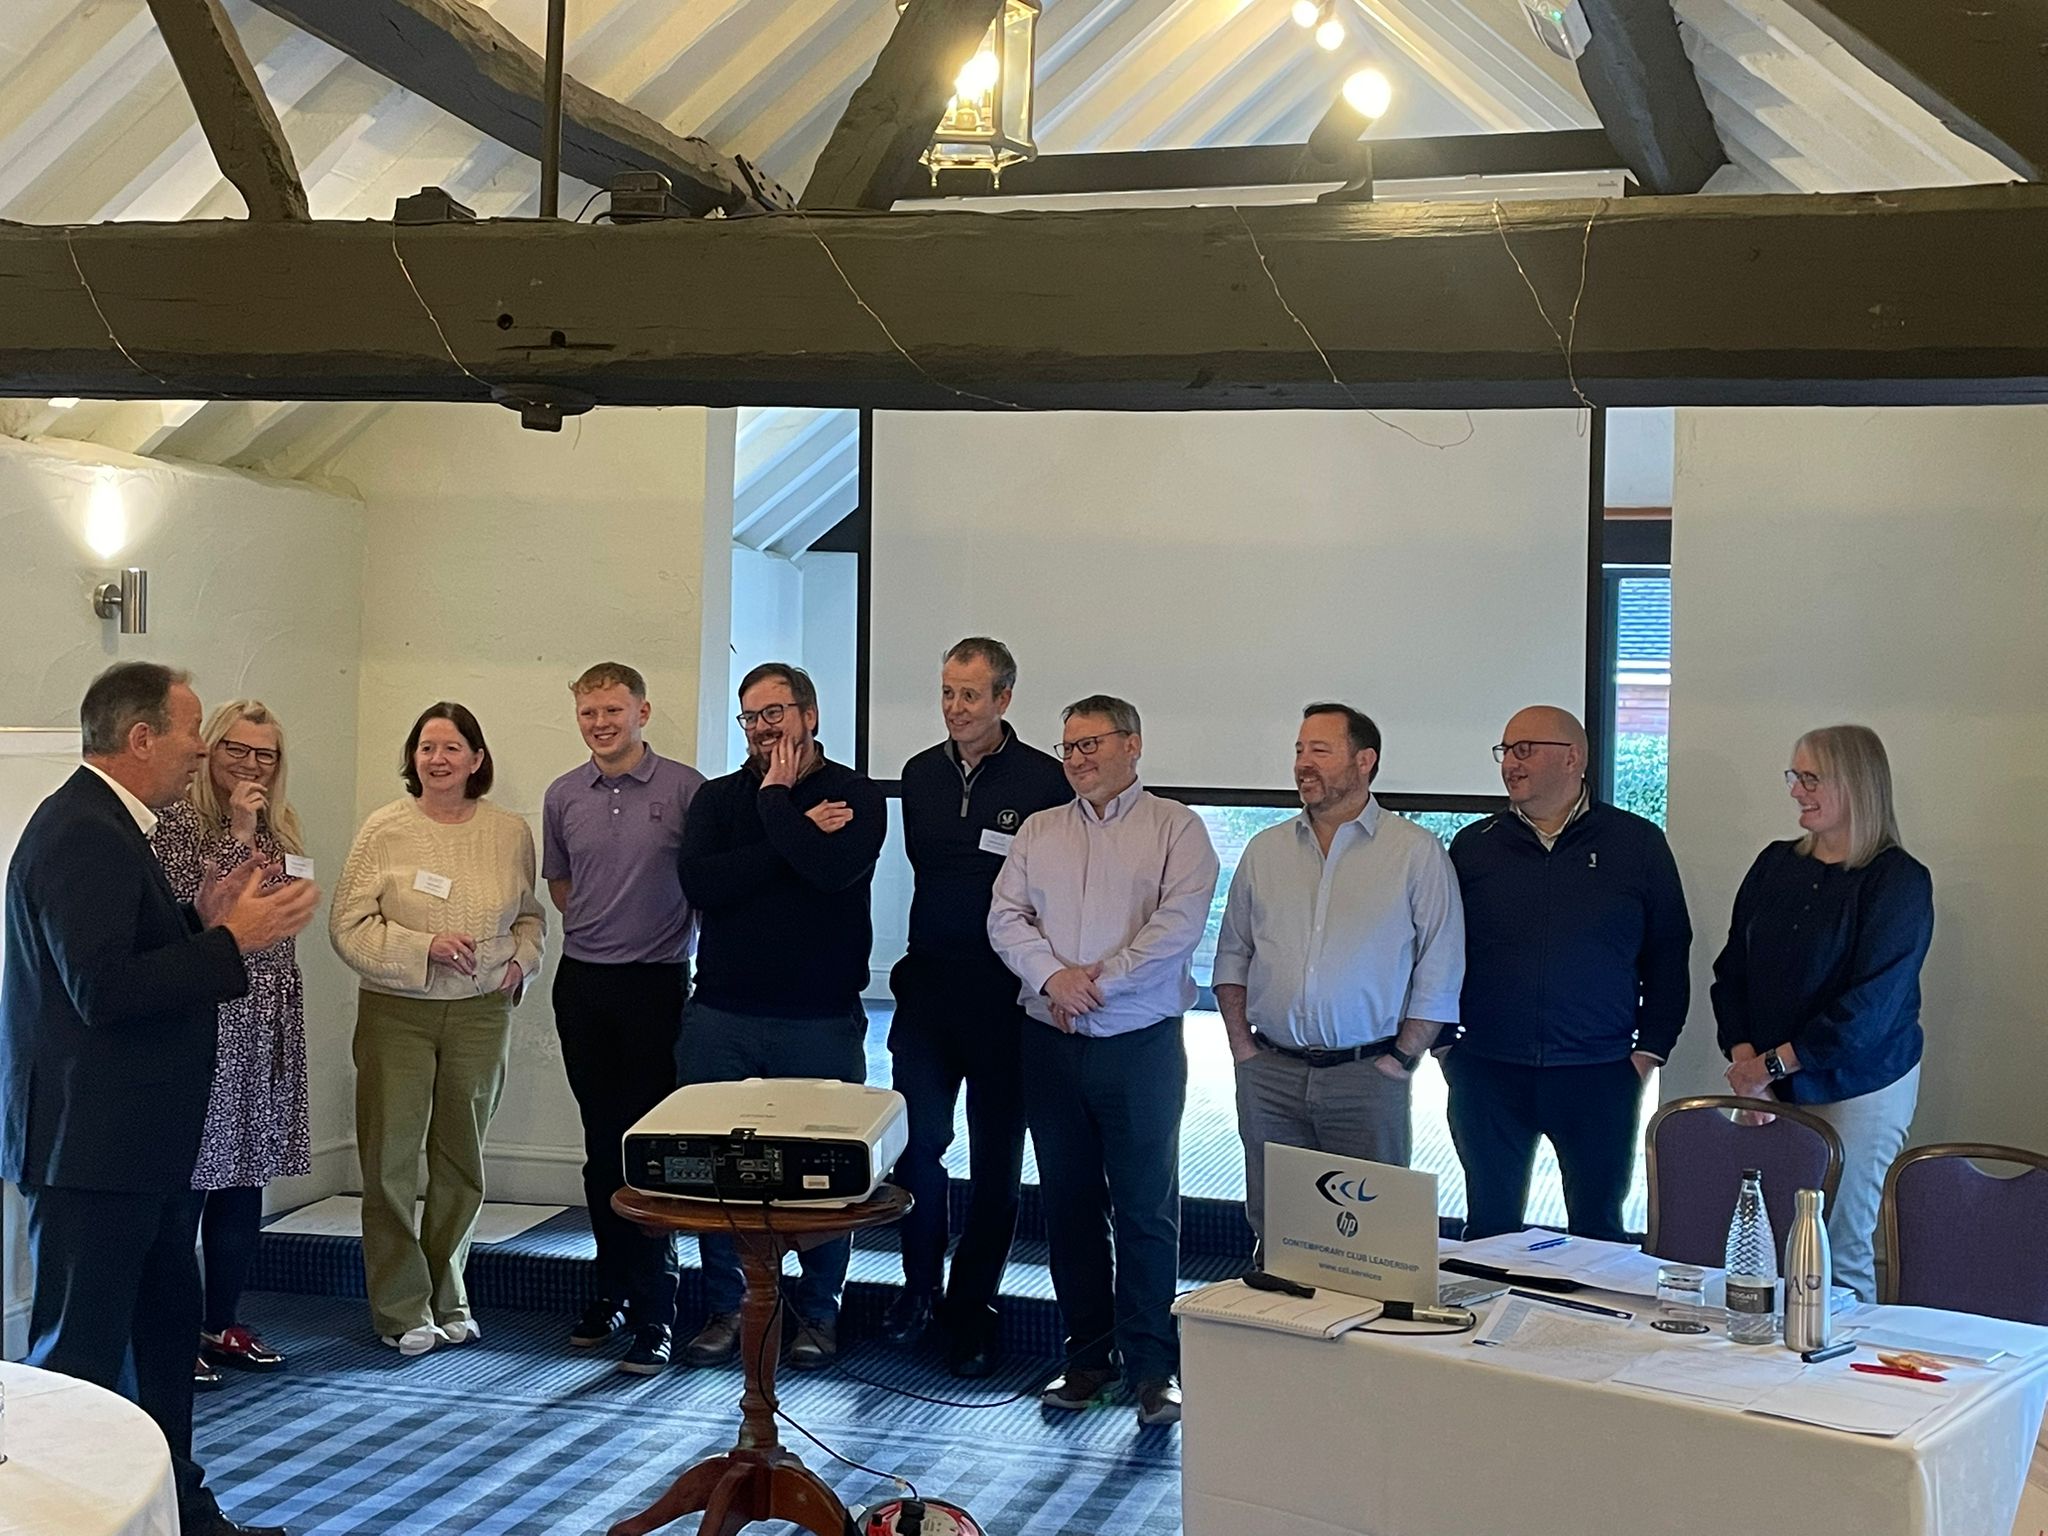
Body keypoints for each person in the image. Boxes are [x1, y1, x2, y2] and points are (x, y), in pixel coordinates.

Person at [2, 661, 318, 1536]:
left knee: (161, 1345)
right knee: (81, 1365)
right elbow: (102, 991)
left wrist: (198, 922)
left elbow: (122, 955)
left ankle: (181, 1515)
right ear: (141, 738)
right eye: (190, 733)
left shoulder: (111, 825)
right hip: (91, 1152)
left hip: (138, 1148)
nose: (202, 752)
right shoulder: (82, 830)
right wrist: (229, 941)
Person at [988, 695, 1218, 1428]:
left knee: (1146, 1208)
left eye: (1092, 743)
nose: (1078, 759)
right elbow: (1005, 917)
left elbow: (1176, 928)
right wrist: (1053, 979)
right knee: (1069, 1205)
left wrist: (1094, 984)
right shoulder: (1039, 830)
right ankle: (1087, 1357)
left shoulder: (1177, 828)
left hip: (1139, 1046)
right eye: (1069, 747)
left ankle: (1154, 1368)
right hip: (1051, 1045)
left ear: (1133, 745)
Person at [677, 662, 885, 1369]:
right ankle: (726, 1308)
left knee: (825, 1171)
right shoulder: (716, 798)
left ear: (810, 715)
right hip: (723, 1014)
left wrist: (773, 803)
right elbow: (702, 883)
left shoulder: (855, 795)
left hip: (819, 1018)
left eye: (776, 712)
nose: (763, 727)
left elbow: (830, 873)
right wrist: (791, 831)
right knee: (717, 1171)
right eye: (751, 716)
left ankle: (818, 1314)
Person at [330, 701, 546, 1356]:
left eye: (452, 747)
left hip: (481, 1012)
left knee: (461, 1158)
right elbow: (348, 927)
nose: (438, 758)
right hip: (397, 1010)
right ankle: (401, 1305)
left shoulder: (510, 831)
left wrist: (522, 962)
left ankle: (449, 1293)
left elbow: (530, 917)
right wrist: (423, 947)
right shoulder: (384, 829)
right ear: (413, 758)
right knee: (390, 1160)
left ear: (477, 759)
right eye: (427, 747)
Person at [1214, 704, 1463, 1252]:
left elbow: (1441, 968)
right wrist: (1241, 1048)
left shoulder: (1413, 852)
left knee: (1373, 1244)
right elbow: (1233, 952)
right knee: (1279, 1236)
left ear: (1364, 761)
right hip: (1270, 1075)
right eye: (1299, 750)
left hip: (1367, 1077)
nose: (1303, 763)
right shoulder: (1265, 851)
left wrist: (1401, 1059)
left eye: (1320, 751)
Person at [886, 637, 1069, 1376]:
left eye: (969, 695)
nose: (955, 708)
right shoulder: (919, 775)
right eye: (947, 693)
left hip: (1005, 999)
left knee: (997, 1163)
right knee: (915, 1147)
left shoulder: (1046, 780)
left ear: (1004, 699)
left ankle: (972, 1307)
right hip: (928, 991)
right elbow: (933, 870)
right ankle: (918, 1289)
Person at [1444, 706, 1691, 1242]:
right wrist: (1446, 1047)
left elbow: (1669, 952)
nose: (1510, 764)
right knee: (1489, 1231)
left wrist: (1650, 1051)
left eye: (1524, 749)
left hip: (1598, 1072)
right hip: (1488, 1070)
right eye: (1505, 751)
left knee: (1597, 1233)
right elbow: (1437, 949)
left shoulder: (1637, 844)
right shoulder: (1474, 845)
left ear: (1573, 758)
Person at [1711, 723, 1933, 1302]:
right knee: (1760, 1235)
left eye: (1810, 778)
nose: (1795, 790)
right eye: (1795, 776)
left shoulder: (1898, 881)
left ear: (1855, 784)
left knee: (1835, 1245)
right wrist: (1748, 1069)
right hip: (1766, 1082)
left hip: (1857, 1085)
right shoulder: (1774, 864)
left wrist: (1768, 1068)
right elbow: (1732, 972)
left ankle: (1842, 1357)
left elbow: (1868, 1011)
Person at [542, 662, 705, 1374]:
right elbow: (560, 882)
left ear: (642, 711)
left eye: (613, 710)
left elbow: (702, 885)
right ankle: (609, 1289)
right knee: (600, 1148)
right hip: (583, 985)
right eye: (589, 713)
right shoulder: (562, 795)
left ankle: (655, 1310)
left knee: (650, 1155)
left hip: (657, 987)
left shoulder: (686, 789)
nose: (601, 723)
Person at [150, 700, 315, 1389]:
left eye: (264, 754)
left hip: (267, 1018)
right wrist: (240, 832)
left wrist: (262, 838)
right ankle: (172, 1333)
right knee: (194, 1179)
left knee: (246, 1178)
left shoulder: (284, 825)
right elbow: (198, 911)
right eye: (236, 749)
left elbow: (292, 910)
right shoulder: (177, 823)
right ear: (210, 750)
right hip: (212, 1015)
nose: (250, 765)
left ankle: (222, 1322)